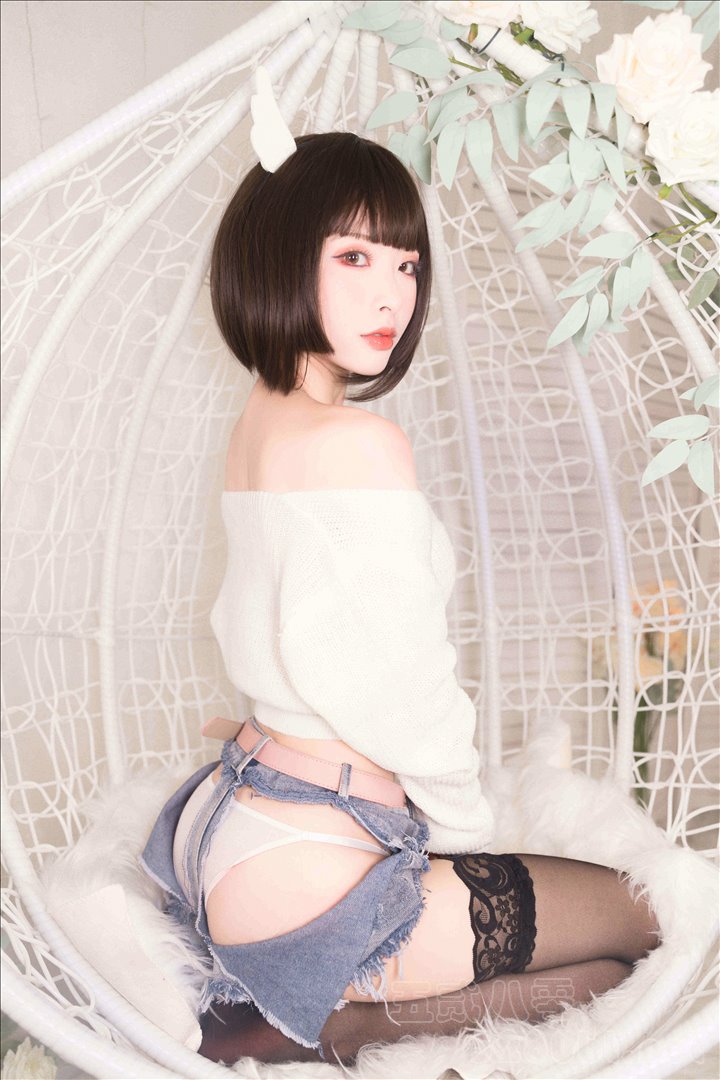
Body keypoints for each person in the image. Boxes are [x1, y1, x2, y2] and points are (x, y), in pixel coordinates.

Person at [140, 124, 660, 1068]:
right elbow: (402, 687)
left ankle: (298, 1018)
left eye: (407, 264)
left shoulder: (262, 420)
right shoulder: (358, 445)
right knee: (649, 920)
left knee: (595, 967)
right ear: (278, 256)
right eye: (354, 256)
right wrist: (466, 834)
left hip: (236, 827)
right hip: (312, 869)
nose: (391, 294)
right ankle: (311, 1024)